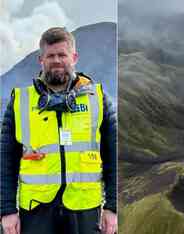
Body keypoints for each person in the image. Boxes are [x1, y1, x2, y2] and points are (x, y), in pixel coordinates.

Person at [0, 27, 117, 234]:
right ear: (41, 60)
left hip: (85, 209)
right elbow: (5, 160)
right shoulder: (20, 101)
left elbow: (113, 155)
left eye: (62, 55)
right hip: (36, 211)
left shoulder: (97, 99)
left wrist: (113, 207)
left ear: (74, 57)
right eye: (50, 55)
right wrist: (7, 210)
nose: (56, 60)